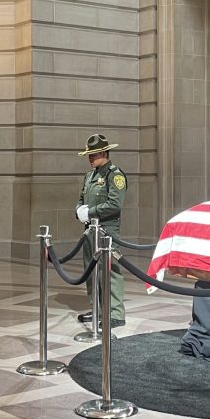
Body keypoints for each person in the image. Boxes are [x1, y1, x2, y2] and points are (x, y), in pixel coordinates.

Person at [74, 133, 127, 328]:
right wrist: (79, 211)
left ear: (105, 152)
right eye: (89, 154)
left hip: (107, 231)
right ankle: (97, 309)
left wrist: (91, 212)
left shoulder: (114, 174)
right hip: (90, 230)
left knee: (110, 271)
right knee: (91, 271)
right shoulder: (90, 175)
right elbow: (81, 199)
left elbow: (115, 204)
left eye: (94, 154)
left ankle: (115, 313)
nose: (90, 158)